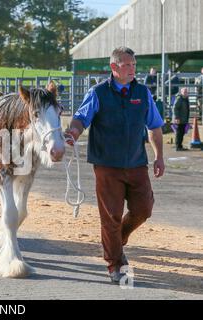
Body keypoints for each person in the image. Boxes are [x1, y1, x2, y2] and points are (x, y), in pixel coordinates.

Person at [66, 47, 165, 284]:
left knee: (144, 209)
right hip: (107, 165)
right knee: (111, 215)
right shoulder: (98, 93)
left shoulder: (142, 92)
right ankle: (115, 264)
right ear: (114, 67)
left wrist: (159, 156)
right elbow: (81, 118)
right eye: (127, 65)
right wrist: (73, 133)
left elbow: (154, 126)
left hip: (137, 163)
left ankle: (117, 238)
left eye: (134, 64)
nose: (133, 69)